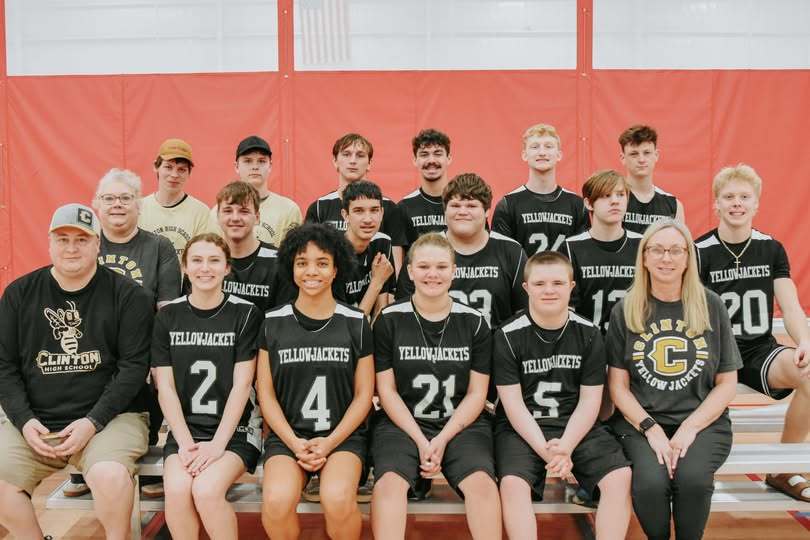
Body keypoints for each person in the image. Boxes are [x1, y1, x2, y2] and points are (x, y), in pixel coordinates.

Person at [0, 203, 153, 540]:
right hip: (37, 422)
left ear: (99, 244)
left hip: (109, 421)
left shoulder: (128, 296)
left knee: (111, 478)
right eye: (63, 239)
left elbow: (133, 368)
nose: (71, 247)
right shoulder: (18, 294)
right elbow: (4, 367)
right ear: (50, 243)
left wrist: (92, 422)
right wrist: (24, 421)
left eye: (82, 240)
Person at [607, 219, 741, 540]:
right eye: (657, 250)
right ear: (644, 257)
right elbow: (618, 387)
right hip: (640, 424)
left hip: (702, 423)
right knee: (650, 485)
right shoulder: (626, 309)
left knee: (693, 479)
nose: (666, 258)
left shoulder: (710, 305)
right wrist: (650, 429)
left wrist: (690, 428)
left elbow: (727, 382)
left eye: (675, 250)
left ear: (687, 258)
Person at [60, 168, 181, 499]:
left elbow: (166, 310)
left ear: (138, 205)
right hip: (92, 344)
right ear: (95, 204)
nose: (117, 204)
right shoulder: (83, 245)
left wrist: (154, 360)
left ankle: (143, 452)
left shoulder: (159, 247)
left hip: (140, 346)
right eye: (109, 198)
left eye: (126, 198)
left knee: (156, 371)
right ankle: (83, 460)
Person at [371, 233, 501, 540]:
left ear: (454, 271)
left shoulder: (474, 321)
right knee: (389, 485)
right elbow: (386, 391)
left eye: (442, 267)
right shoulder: (389, 319)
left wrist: (441, 438)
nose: (433, 274)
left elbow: (477, 393)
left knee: (482, 486)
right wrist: (420, 439)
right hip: (401, 423)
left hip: (461, 423)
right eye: (424, 266)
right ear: (411, 271)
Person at [494, 251, 632, 540]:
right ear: (526, 288)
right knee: (512, 483)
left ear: (571, 287)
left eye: (558, 283)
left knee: (620, 477)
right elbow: (514, 406)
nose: (549, 290)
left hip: (577, 426)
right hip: (524, 429)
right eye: (540, 283)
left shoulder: (590, 334)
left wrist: (566, 446)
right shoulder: (506, 335)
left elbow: (591, 401)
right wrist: (551, 453)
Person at [695, 164, 810, 501]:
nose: (736, 203)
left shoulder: (771, 248)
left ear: (757, 203)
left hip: (759, 350)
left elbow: (790, 307)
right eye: (728, 197)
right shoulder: (699, 251)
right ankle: (694, 470)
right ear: (715, 203)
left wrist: (803, 340)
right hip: (713, 352)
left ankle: (784, 467)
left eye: (744, 197)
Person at [257, 223, 374, 540]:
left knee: (337, 499)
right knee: (276, 501)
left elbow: (364, 396)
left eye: (322, 262)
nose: (312, 271)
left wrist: (331, 441)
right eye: (302, 262)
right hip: (288, 436)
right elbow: (266, 395)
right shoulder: (272, 322)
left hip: (342, 437)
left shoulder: (356, 322)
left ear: (337, 269)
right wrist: (294, 442)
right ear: (290, 268)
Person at [152, 233, 262, 540]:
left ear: (227, 267)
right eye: (197, 260)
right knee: (176, 490)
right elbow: (166, 388)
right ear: (185, 267)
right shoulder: (168, 316)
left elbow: (242, 386)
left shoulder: (246, 313)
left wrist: (216, 446)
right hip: (186, 431)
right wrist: (186, 443)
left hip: (235, 432)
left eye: (214, 261)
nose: (205, 268)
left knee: (206, 490)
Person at [396, 173, 528, 329]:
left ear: (486, 211)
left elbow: (524, 313)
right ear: (444, 210)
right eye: (455, 206)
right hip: (437, 348)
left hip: (493, 349)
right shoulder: (422, 250)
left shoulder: (511, 251)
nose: (463, 212)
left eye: (471, 206)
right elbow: (403, 309)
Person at [305, 133, 407, 271]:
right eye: (346, 154)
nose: (353, 161)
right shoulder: (318, 207)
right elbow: (310, 256)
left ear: (369, 163)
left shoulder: (388, 207)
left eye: (360, 155)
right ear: (335, 161)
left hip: (378, 286)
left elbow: (396, 266)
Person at [562, 170, 642, 333]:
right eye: (606, 196)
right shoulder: (571, 248)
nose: (615, 201)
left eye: (620, 195)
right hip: (587, 345)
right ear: (588, 203)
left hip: (633, 343)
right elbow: (566, 308)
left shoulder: (643, 244)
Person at [492, 123, 588, 254]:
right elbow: (502, 256)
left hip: (564, 275)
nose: (542, 152)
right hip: (524, 275)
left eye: (548, 147)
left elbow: (582, 255)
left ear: (559, 155)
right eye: (535, 147)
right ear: (524, 155)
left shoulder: (577, 205)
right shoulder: (508, 204)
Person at [210, 135, 302, 247]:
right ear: (236, 166)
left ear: (270, 166)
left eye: (261, 161)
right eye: (248, 161)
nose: (255, 166)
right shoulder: (218, 212)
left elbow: (293, 256)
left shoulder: (289, 209)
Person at [214, 181, 292, 313]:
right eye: (228, 211)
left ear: (257, 217)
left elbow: (283, 320)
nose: (235, 218)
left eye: (244, 211)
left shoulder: (279, 262)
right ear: (218, 216)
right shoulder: (206, 260)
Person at [139, 138, 212, 258]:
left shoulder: (201, 212)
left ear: (189, 173)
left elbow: (206, 256)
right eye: (168, 167)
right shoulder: (138, 209)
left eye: (181, 169)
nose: (174, 175)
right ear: (156, 167)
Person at [340, 180, 395, 318]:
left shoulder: (382, 243)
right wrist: (377, 281)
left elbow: (380, 311)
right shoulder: (332, 253)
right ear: (345, 215)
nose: (368, 219)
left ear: (382, 213)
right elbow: (348, 325)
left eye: (374, 210)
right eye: (359, 211)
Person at [618, 125, 685, 234]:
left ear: (656, 155)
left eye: (647, 153)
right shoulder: (612, 200)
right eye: (634, 154)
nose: (641, 159)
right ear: (623, 158)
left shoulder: (673, 205)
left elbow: (678, 246)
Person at [397, 129, 453, 252]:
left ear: (449, 158)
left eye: (438, 153)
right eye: (424, 154)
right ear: (415, 160)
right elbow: (399, 264)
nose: (431, 160)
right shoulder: (404, 207)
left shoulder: (466, 205)